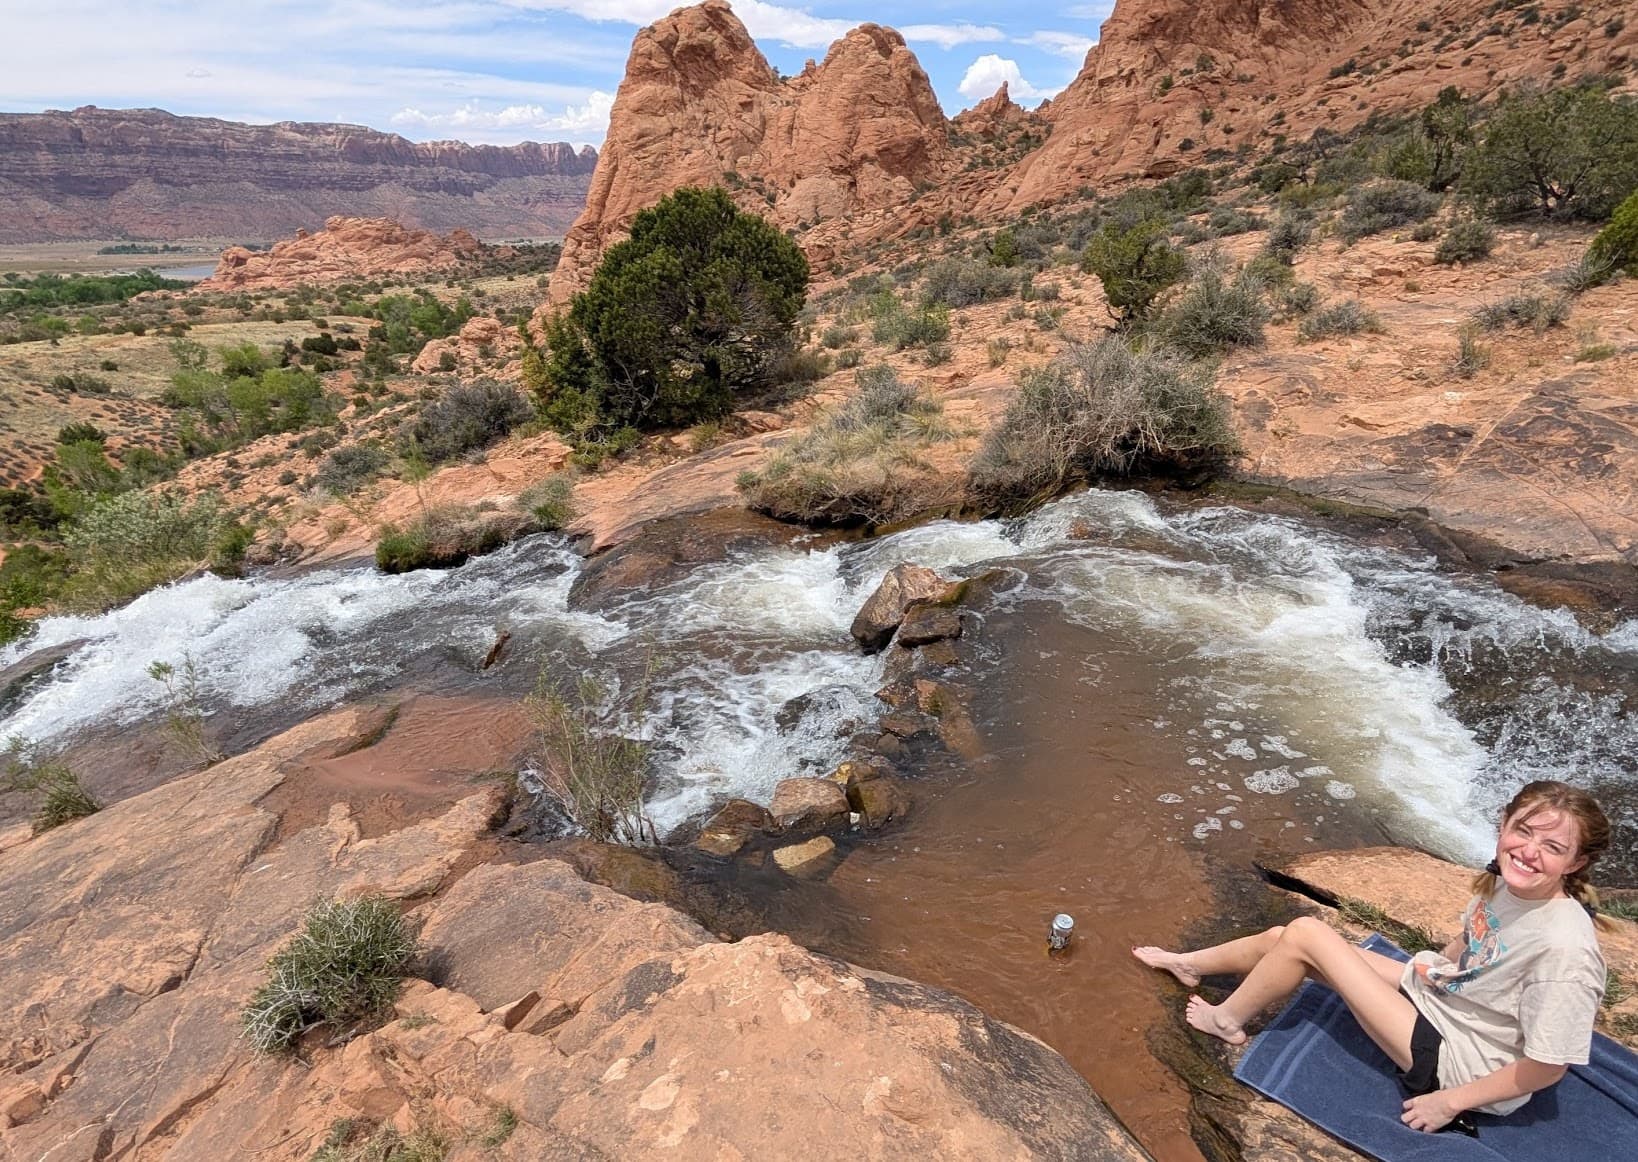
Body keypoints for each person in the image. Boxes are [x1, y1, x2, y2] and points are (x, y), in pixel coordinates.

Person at [1133, 780, 1611, 1134]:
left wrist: (1449, 1103)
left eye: (1552, 847)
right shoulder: (1511, 884)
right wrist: (1426, 971)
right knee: (1286, 937)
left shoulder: (1565, 950)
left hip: (1462, 1062)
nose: (1529, 852)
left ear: (1576, 863)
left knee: (1306, 934)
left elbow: (1548, 1067)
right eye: (1523, 832)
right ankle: (1191, 963)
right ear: (1503, 823)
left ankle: (1225, 1021)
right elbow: (1470, 942)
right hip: (1446, 1002)